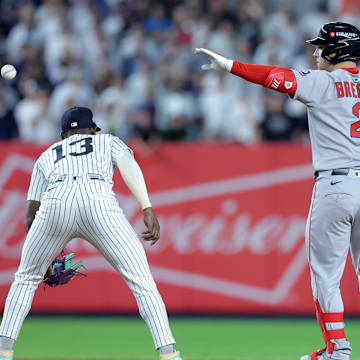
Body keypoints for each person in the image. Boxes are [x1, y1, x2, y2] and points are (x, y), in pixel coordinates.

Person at [196, 21, 360, 360]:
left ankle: (338, 350)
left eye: (321, 46)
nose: (316, 53)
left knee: (325, 275)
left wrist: (230, 66)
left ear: (337, 50)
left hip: (335, 183)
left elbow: (276, 77)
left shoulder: (323, 82)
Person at [0, 107, 181, 360]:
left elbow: (31, 214)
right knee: (142, 282)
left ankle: (3, 351)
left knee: (26, 278)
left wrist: (45, 256)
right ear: (94, 129)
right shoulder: (107, 141)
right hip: (98, 201)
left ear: (63, 135)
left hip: (55, 202)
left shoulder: (47, 154)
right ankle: (169, 354)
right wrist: (146, 206)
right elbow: (129, 164)